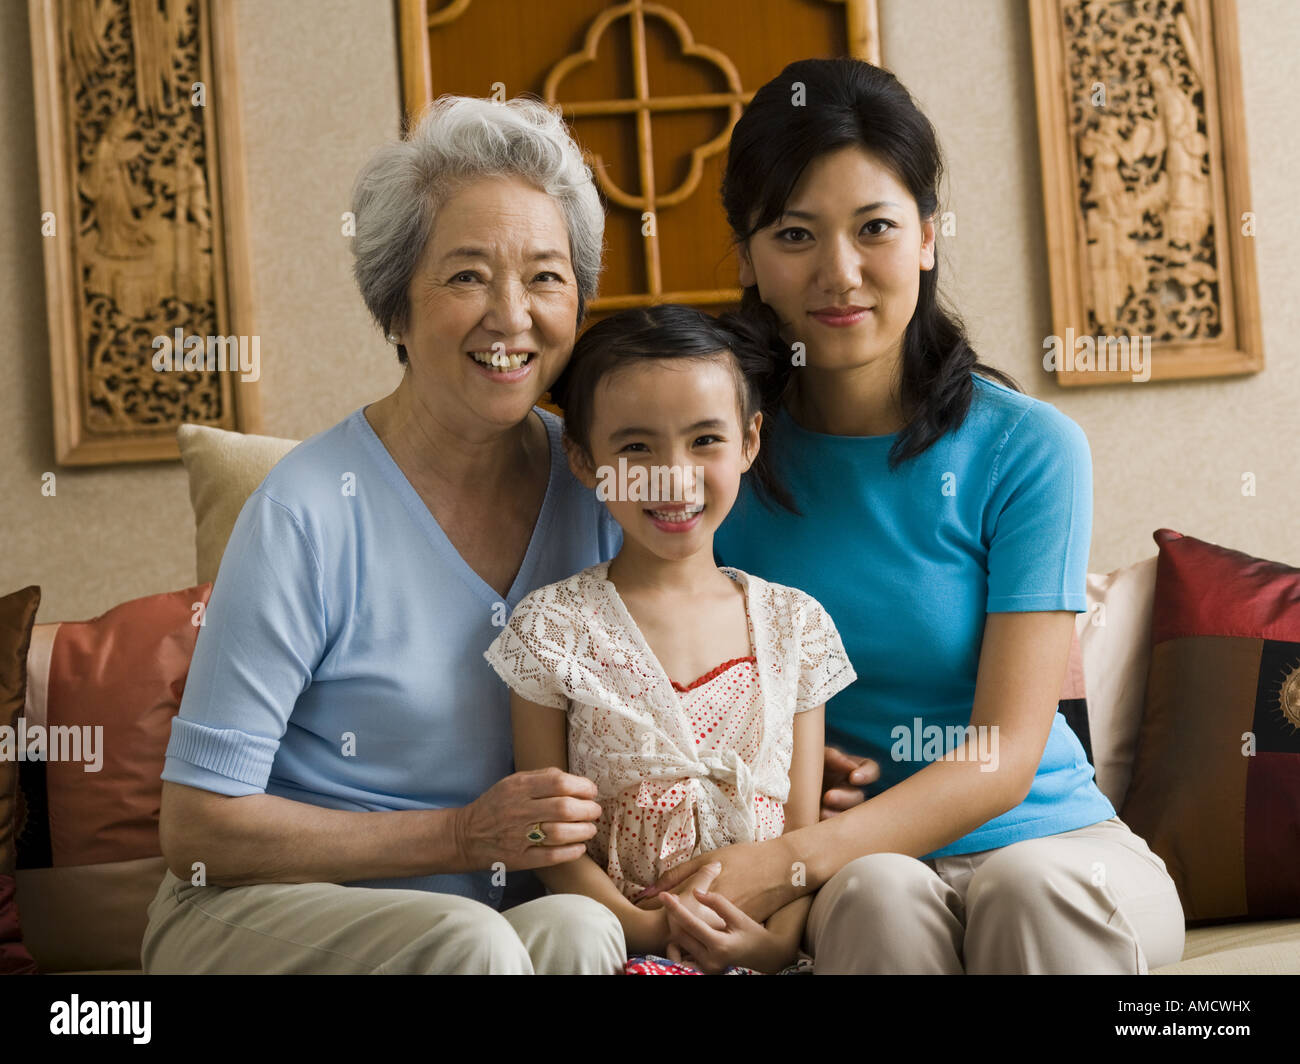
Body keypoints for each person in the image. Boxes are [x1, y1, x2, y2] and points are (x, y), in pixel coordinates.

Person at [638, 58, 1186, 974]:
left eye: (876, 229)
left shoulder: (1028, 448)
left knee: (1024, 887)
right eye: (796, 234)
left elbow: (1006, 752)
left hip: (1060, 850)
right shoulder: (716, 461)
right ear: (747, 258)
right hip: (857, 870)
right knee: (875, 894)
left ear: (928, 236)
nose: (840, 273)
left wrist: (786, 861)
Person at [142, 95, 629, 974]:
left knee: (583, 930)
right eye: (468, 274)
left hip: (494, 919)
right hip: (262, 909)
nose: (511, 315)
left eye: (547, 276)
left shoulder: (600, 486)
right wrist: (459, 833)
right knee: (470, 940)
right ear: (395, 310)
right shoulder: (306, 511)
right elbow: (197, 828)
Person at [484, 305, 856, 974]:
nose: (673, 476)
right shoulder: (552, 630)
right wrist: (644, 930)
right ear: (583, 458)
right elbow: (547, 833)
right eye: (635, 447)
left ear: (748, 441)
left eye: (705, 440)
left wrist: (775, 944)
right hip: (618, 946)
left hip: (765, 950)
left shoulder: (796, 627)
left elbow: (802, 834)